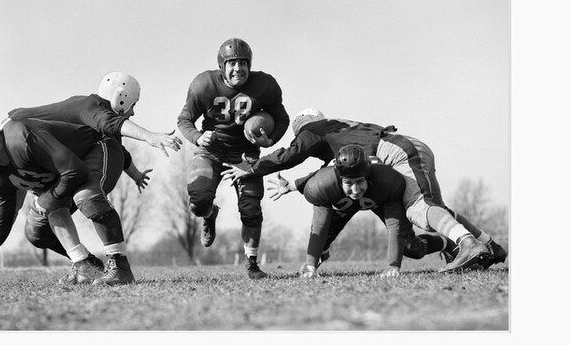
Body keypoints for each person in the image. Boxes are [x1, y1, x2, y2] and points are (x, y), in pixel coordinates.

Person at [0, 72, 180, 289]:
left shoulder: (27, 136)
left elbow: (108, 134)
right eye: (133, 104)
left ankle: (120, 265)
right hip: (69, 158)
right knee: (35, 230)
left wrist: (149, 138)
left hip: (90, 153)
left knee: (82, 198)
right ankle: (84, 264)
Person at [222, 107, 506, 272]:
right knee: (429, 210)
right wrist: (295, 186)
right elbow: (329, 172)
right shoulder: (339, 133)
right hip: (399, 150)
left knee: (419, 208)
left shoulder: (315, 130)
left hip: (397, 152)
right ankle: (488, 244)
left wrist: (252, 167)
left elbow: (288, 155)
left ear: (302, 130)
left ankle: (468, 243)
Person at [177, 38, 290, 279]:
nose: (238, 68)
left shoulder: (265, 85)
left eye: (242, 63)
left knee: (251, 209)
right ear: (221, 66)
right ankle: (209, 215)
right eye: (232, 63)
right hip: (211, 150)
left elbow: (282, 119)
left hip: (245, 154)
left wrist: (271, 141)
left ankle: (252, 263)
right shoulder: (203, 85)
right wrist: (198, 138)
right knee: (197, 201)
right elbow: (183, 120)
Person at [266, 144, 449, 278]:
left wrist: (393, 266)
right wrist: (310, 265)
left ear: (368, 176)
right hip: (342, 203)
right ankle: (320, 257)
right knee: (319, 244)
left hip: (379, 199)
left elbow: (395, 228)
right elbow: (319, 228)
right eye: (348, 183)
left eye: (359, 182)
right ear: (338, 179)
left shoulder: (386, 181)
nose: (355, 190)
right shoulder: (323, 185)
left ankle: (445, 243)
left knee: (412, 249)